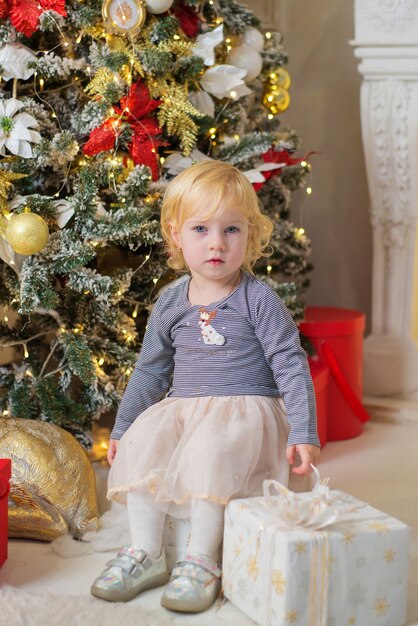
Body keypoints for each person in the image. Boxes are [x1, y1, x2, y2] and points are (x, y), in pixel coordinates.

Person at [91, 160, 320, 612]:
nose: (216, 243)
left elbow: (291, 363)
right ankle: (146, 552)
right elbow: (151, 371)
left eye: (231, 230)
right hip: (184, 406)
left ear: (250, 237)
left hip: (243, 412)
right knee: (143, 442)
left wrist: (303, 430)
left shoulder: (257, 298)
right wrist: (121, 429)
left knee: (208, 450)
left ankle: (201, 559)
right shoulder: (172, 301)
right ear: (176, 235)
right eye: (200, 229)